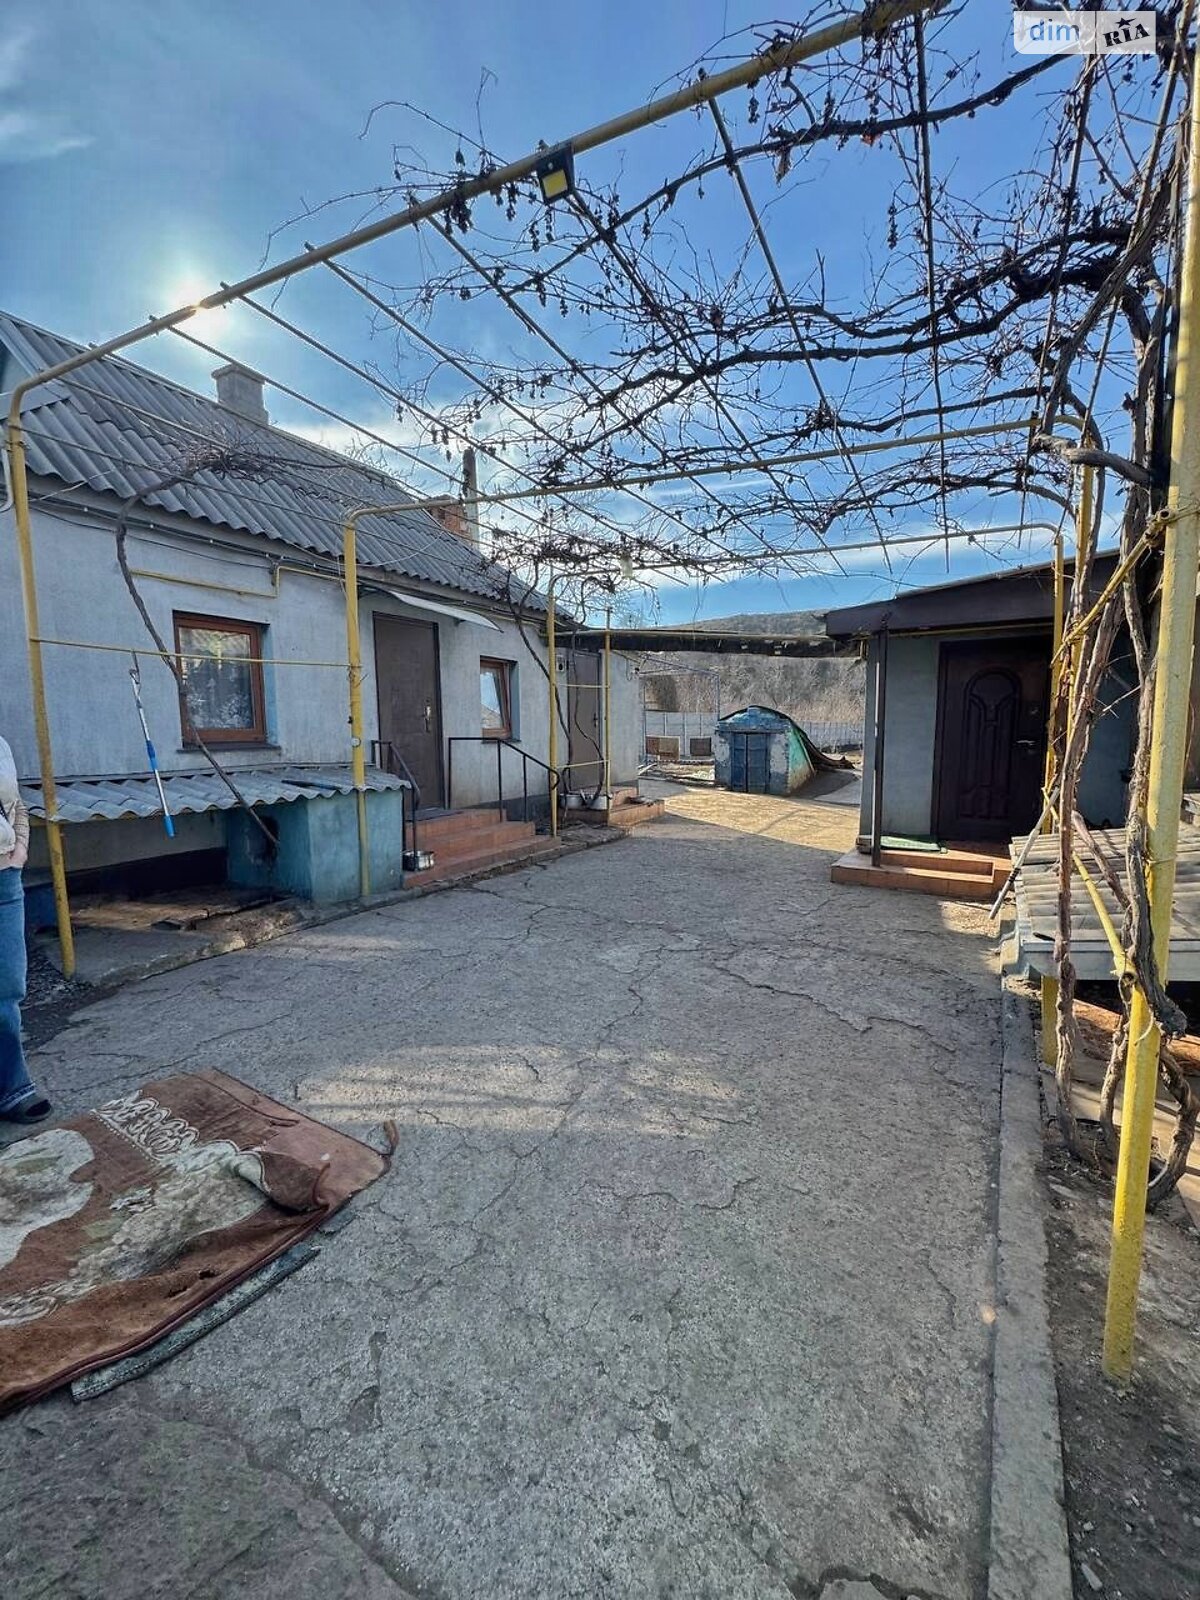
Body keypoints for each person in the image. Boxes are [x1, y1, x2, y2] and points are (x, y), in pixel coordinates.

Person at [0, 733, 51, 1124]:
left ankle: (12, 1088)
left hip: (4, 879)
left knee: (8, 987)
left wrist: (20, 850)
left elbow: (14, 803)